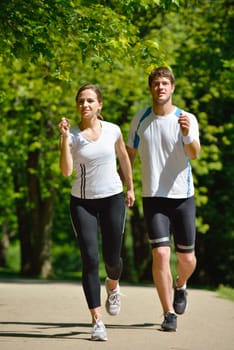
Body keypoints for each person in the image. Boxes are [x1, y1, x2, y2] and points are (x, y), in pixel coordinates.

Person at [58, 84, 135, 341]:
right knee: (90, 259)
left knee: (113, 259)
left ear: (100, 104)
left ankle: (112, 285)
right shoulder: (72, 136)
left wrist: (130, 187)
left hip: (113, 197)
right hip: (83, 203)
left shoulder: (113, 130)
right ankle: (97, 321)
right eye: (81, 101)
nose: (85, 105)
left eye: (90, 100)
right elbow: (66, 171)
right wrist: (63, 139)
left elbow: (123, 157)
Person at [126, 67, 200, 332]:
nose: (160, 88)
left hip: (182, 197)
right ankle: (168, 313)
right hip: (153, 197)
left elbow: (194, 153)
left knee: (187, 259)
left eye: (165, 83)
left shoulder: (186, 117)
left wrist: (187, 134)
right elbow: (128, 154)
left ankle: (181, 285)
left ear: (172, 88)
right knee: (159, 254)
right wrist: (128, 185)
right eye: (156, 83)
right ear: (151, 89)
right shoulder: (141, 118)